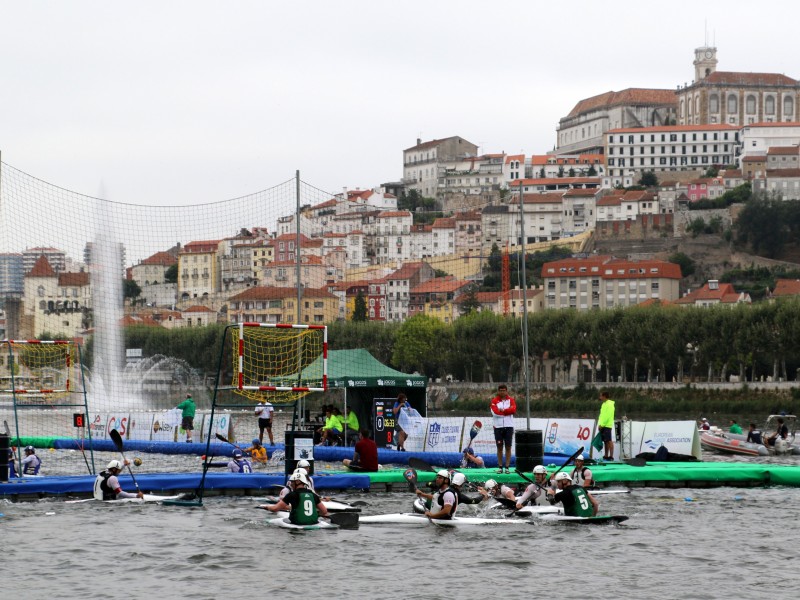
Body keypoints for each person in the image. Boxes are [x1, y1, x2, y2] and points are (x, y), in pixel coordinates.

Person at [265, 470, 329, 526]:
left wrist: (267, 507)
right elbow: (324, 511)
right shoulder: (313, 495)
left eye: (292, 482)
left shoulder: (291, 495)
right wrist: (316, 515)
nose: (291, 484)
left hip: (297, 524)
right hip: (313, 523)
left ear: (298, 481)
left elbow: (275, 509)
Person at [490, 384, 516, 473]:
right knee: (499, 447)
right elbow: (495, 413)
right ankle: (500, 467)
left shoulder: (511, 400)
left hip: (509, 427)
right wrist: (507, 411)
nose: (502, 392)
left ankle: (507, 467)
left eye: (504, 390)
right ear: (498, 391)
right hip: (498, 427)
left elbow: (513, 410)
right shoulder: (494, 401)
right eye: (500, 390)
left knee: (508, 447)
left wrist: (503, 410)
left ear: (506, 391)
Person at [598, 391, 616, 461]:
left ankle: (611, 456)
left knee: (609, 441)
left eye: (601, 396)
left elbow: (608, 416)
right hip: (602, 425)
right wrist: (600, 424)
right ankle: (606, 455)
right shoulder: (603, 404)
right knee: (605, 441)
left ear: (604, 396)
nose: (600, 397)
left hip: (607, 425)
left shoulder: (610, 404)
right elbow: (601, 415)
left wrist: (602, 424)